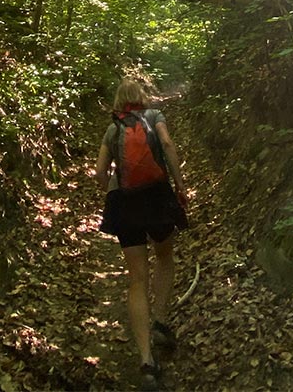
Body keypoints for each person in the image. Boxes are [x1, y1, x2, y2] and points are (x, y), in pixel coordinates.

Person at [96, 76, 189, 391]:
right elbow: (167, 144)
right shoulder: (155, 117)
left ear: (119, 101)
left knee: (137, 278)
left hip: (125, 204)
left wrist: (113, 187)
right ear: (142, 96)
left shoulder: (113, 129)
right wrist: (179, 184)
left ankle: (147, 359)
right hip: (157, 198)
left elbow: (99, 173)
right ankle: (160, 320)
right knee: (164, 257)